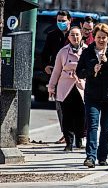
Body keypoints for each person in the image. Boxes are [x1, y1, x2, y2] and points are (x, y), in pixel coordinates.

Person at [76, 23, 108, 168]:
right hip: (92, 95)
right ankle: (90, 157)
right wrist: (91, 70)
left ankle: (102, 157)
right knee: (92, 126)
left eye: (104, 38)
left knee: (106, 128)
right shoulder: (87, 52)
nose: (101, 40)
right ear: (94, 37)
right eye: (98, 37)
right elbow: (79, 72)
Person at [48, 26, 86, 152]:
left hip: (81, 86)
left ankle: (80, 139)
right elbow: (56, 71)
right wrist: (52, 86)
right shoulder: (63, 52)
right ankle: (69, 142)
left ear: (81, 36)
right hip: (65, 87)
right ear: (68, 37)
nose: (75, 37)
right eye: (72, 35)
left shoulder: (87, 50)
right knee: (67, 116)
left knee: (81, 115)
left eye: (77, 35)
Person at [41, 10, 71, 144]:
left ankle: (76, 133)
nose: (61, 23)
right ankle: (65, 133)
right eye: (59, 20)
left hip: (74, 77)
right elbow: (44, 54)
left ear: (70, 20)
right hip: (58, 76)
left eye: (63, 20)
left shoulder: (75, 35)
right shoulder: (52, 35)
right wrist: (46, 66)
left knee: (76, 105)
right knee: (60, 105)